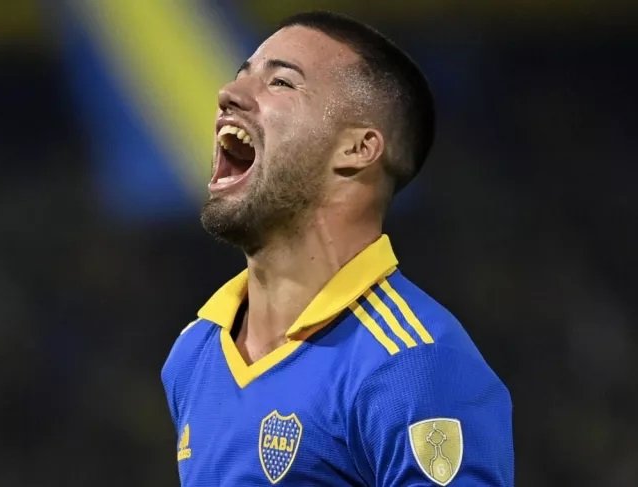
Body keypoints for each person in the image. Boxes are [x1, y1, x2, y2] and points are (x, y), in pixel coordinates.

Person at [161, 11, 513, 486]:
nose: (228, 93)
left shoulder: (412, 365)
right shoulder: (195, 352)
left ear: (358, 149)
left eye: (280, 82)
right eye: (242, 75)